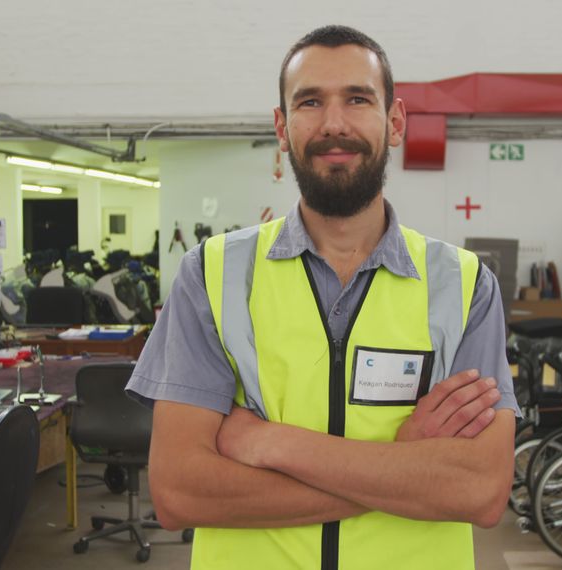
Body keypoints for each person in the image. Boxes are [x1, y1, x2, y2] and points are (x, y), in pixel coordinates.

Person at [128, 24, 519, 570]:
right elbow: (179, 493)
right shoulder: (211, 275)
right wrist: (404, 468)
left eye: (358, 99)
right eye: (310, 102)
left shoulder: (466, 284)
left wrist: (270, 444)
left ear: (395, 121)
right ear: (282, 127)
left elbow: (479, 491)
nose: (335, 124)